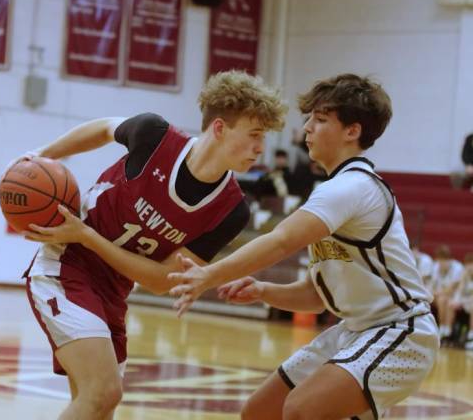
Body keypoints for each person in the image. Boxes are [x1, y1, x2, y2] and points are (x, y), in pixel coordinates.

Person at [5, 70, 287, 420]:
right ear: (219, 128)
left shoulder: (231, 211)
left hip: (113, 288)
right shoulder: (153, 135)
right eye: (255, 135)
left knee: (99, 407)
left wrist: (87, 235)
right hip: (66, 265)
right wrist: (41, 155)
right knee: (104, 391)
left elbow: (159, 281)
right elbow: (104, 128)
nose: (261, 148)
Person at [168, 73, 439, 420]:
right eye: (309, 118)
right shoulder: (335, 190)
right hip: (355, 331)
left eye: (320, 119)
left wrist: (209, 274)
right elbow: (318, 295)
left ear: (352, 131)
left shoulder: (354, 187)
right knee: (259, 412)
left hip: (402, 333)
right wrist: (264, 290)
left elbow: (281, 240)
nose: (307, 128)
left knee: (300, 410)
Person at [429, 244, 464, 337]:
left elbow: (452, 289)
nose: (441, 263)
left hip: (453, 296)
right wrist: (435, 293)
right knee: (442, 299)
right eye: (439, 260)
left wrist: (440, 292)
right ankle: (443, 327)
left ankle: (446, 328)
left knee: (447, 302)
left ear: (449, 260)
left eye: (443, 261)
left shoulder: (457, 267)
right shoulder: (436, 266)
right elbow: (432, 286)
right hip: (438, 295)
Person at [442, 253, 473, 348]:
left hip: (471, 301)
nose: (469, 267)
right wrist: (455, 301)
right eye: (467, 264)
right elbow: (459, 291)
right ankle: (447, 332)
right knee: (450, 303)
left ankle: (471, 336)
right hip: (465, 301)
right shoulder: (464, 274)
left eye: (471, 264)